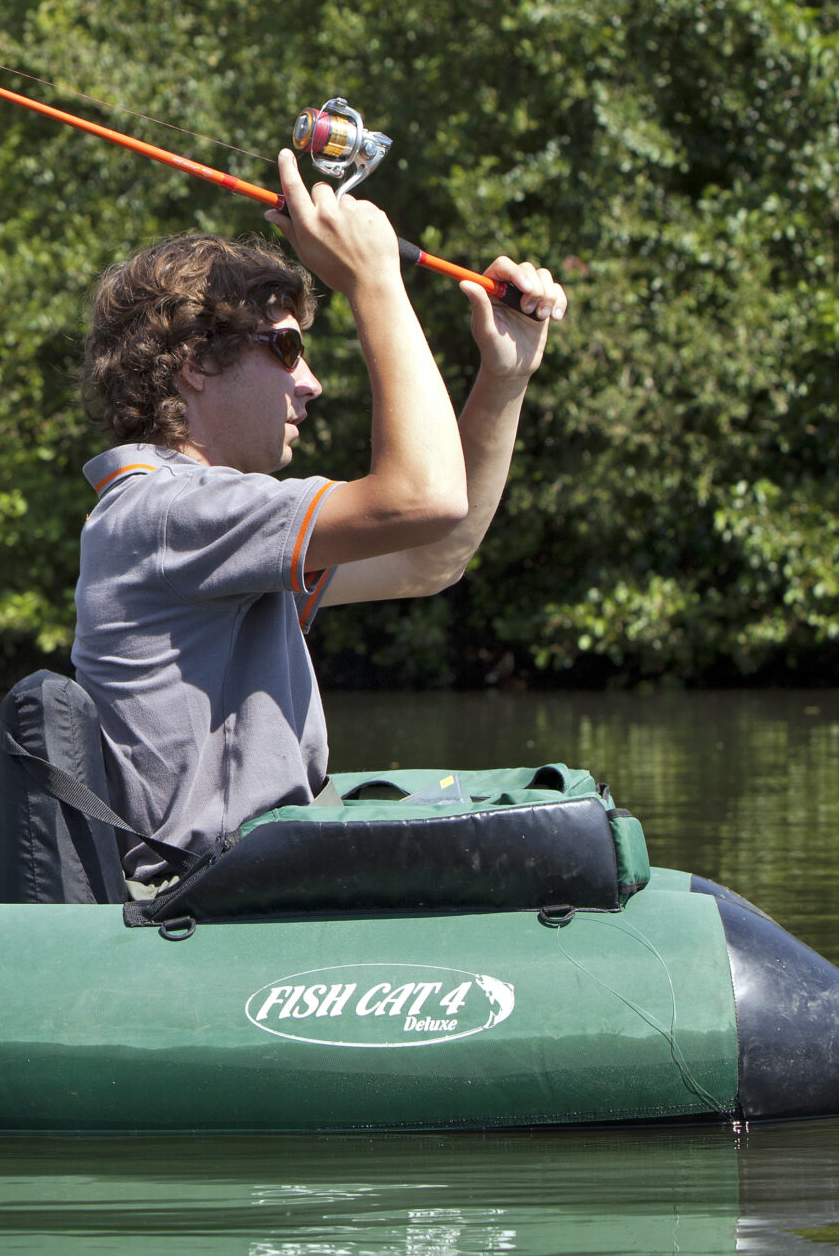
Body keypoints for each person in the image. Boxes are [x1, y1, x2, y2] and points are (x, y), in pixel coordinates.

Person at [69, 149, 569, 888]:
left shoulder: (212, 533)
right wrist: (372, 278)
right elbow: (424, 495)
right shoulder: (171, 512)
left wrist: (503, 380)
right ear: (196, 363)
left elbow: (431, 554)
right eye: (288, 348)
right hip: (204, 901)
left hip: (249, 886)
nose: (311, 383)